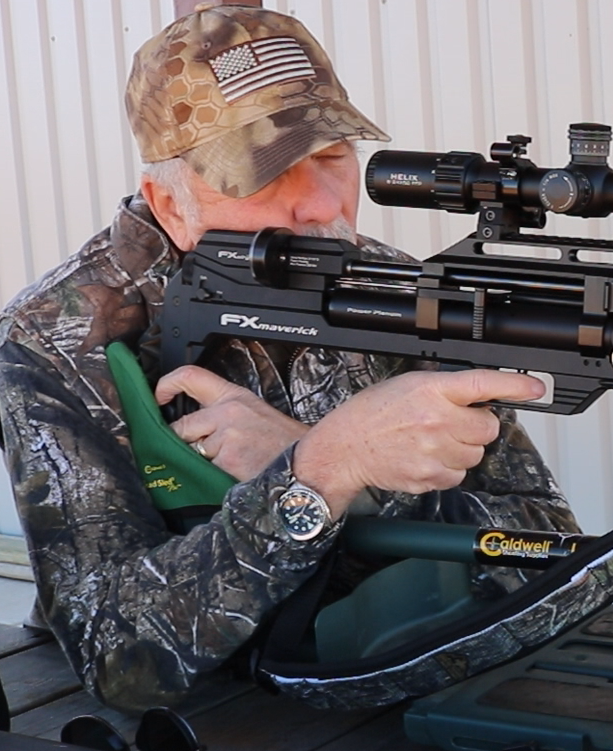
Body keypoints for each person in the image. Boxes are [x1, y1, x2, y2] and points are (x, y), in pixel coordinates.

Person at [0, 4, 578, 713]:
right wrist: (317, 474)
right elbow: (118, 654)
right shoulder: (59, 335)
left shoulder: (393, 291)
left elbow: (547, 551)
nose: (318, 204)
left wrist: (342, 473)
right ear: (169, 203)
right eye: (262, 173)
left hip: (393, 684)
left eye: (332, 158)